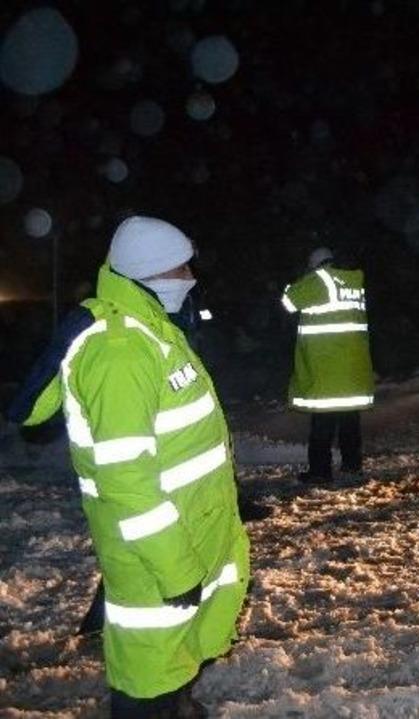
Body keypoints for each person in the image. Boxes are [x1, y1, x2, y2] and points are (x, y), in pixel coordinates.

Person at [9, 215, 250, 716]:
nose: (190, 279)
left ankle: (177, 705)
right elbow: (127, 482)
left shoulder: (154, 329)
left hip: (187, 538)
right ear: (149, 273)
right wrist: (176, 570)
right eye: (180, 270)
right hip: (157, 561)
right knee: (146, 681)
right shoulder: (119, 352)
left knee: (172, 664)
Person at [281, 246, 374, 484]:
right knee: (349, 421)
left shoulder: (319, 281)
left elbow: (288, 302)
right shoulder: (352, 282)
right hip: (353, 369)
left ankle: (320, 472)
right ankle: (352, 466)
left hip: (327, 368)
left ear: (315, 266)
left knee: (323, 424)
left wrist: (301, 279)